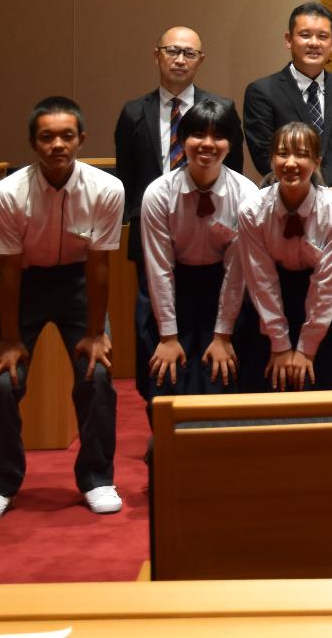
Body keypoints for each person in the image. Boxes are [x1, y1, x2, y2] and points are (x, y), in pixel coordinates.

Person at [0, 97, 125, 523]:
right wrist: (10, 339)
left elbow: (99, 266)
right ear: (33, 143)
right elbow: (10, 270)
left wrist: (95, 333)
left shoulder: (106, 189)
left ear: (81, 140)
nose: (57, 144)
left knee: (96, 375)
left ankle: (97, 478)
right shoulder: (7, 193)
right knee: (3, 383)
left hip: (80, 280)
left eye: (66, 136)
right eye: (47, 137)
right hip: (26, 283)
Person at [113, 26, 243, 409]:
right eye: (172, 51)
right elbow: (127, 177)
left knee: (212, 340)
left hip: (215, 242)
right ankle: (162, 410)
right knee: (152, 337)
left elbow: (230, 170)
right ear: (157, 55)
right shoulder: (133, 112)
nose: (180, 59)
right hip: (153, 236)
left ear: (200, 60)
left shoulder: (221, 109)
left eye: (189, 53)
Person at [136, 97, 255, 404]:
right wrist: (168, 336)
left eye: (218, 136)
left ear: (230, 144)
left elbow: (236, 272)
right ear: (182, 139)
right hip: (174, 287)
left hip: (223, 288)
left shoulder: (246, 196)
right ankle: (166, 445)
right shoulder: (159, 194)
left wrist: (222, 335)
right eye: (198, 135)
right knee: (165, 374)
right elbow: (160, 269)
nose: (207, 144)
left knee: (221, 375)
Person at [236, 122, 332, 391]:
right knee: (263, 381)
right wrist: (279, 344)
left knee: (324, 380)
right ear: (271, 159)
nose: (290, 163)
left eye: (301, 154)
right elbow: (261, 279)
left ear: (316, 161)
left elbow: (327, 284)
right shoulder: (252, 211)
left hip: (325, 298)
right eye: (282, 154)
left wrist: (306, 349)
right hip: (269, 297)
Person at [244, 1, 332, 198]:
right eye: (305, 35)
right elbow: (264, 154)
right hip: (286, 201)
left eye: (322, 36)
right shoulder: (262, 91)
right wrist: (316, 194)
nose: (314, 43)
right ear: (288, 40)